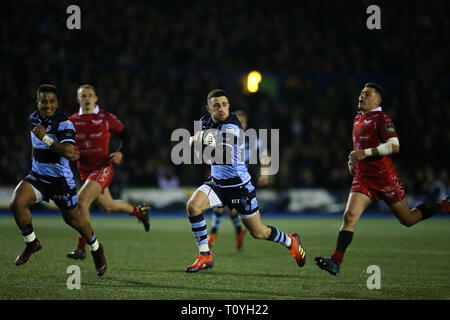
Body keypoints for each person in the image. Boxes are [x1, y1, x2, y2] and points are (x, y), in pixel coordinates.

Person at [315, 83, 450, 276]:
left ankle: (445, 206)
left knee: (408, 219)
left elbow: (394, 146)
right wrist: (352, 159)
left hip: (385, 178)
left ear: (377, 100)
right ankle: (336, 261)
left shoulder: (381, 118)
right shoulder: (358, 117)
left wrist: (365, 153)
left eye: (367, 94)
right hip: (363, 179)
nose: (362, 96)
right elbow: (359, 146)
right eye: (361, 93)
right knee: (349, 217)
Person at [184, 89, 306, 273]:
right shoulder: (204, 122)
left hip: (239, 186)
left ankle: (290, 241)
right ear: (208, 108)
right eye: (216, 105)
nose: (222, 109)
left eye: (225, 104)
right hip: (217, 183)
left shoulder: (232, 125)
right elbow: (202, 155)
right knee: (193, 206)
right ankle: (205, 256)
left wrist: (196, 141)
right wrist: (197, 143)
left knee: (259, 233)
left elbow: (220, 155)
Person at [10, 84, 107, 276]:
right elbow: (36, 145)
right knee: (17, 203)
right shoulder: (33, 118)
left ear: (57, 103)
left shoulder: (64, 123)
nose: (48, 105)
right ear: (37, 102)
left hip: (60, 181)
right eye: (44, 101)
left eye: (52, 101)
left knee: (74, 220)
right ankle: (32, 243)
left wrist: (46, 138)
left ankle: (96, 248)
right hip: (38, 177)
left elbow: (69, 151)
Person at [67, 84, 150, 260]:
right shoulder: (72, 121)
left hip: (102, 168)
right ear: (78, 100)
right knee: (108, 206)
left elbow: (126, 135)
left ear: (95, 98)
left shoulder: (105, 117)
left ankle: (82, 248)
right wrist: (68, 151)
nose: (87, 99)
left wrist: (120, 152)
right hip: (85, 172)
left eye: (90, 95)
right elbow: (66, 144)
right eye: (83, 96)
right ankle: (139, 212)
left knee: (81, 202)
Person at [207, 110, 271, 250]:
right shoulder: (224, 136)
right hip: (224, 178)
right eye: (238, 121)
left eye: (243, 121)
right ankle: (215, 233)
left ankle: (232, 231)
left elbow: (265, 155)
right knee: (222, 205)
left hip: (241, 181)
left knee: (232, 209)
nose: (240, 124)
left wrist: (265, 174)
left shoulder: (251, 139)